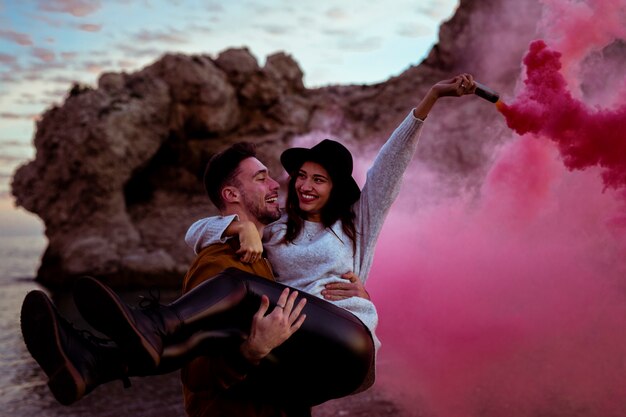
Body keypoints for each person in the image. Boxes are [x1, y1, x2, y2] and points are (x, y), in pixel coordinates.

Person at [20, 73, 478, 416]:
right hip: (297, 351)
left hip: (347, 340)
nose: (305, 185)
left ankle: (151, 325)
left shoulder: (356, 225)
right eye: (300, 176)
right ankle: (97, 363)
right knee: (219, 333)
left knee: (236, 288)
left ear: (336, 190)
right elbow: (197, 232)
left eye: (319, 179)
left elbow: (387, 171)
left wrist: (431, 98)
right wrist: (241, 228)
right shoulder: (276, 231)